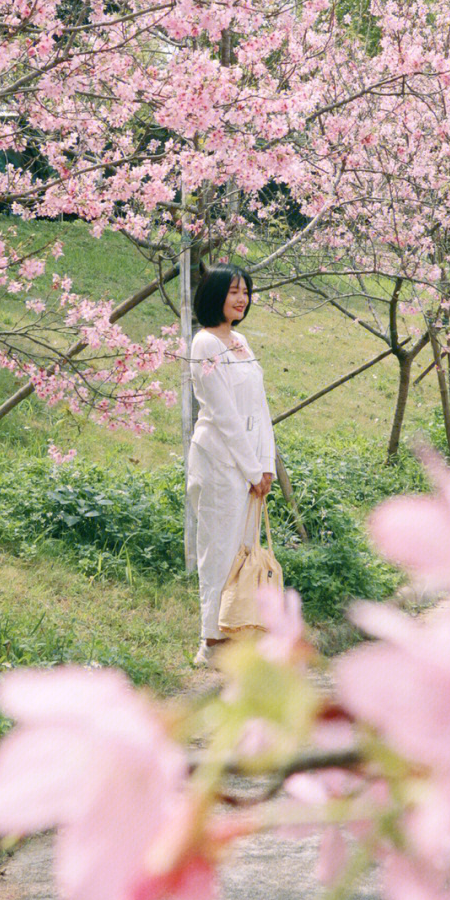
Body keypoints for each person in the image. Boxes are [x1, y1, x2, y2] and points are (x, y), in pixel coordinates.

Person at [187, 263, 276, 668]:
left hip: (250, 465)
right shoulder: (205, 344)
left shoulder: (240, 341)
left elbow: (259, 405)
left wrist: (266, 465)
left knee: (243, 550)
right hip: (220, 462)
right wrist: (251, 469)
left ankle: (237, 631)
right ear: (214, 295)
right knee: (219, 550)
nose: (241, 299)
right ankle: (211, 641)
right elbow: (223, 414)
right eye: (233, 291)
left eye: (245, 292)